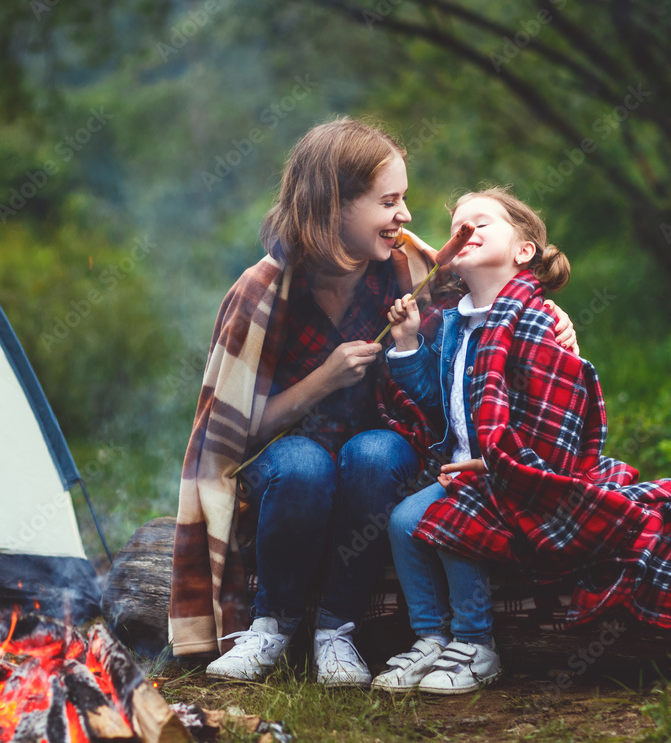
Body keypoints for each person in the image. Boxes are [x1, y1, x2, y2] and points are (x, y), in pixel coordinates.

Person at [168, 121, 577, 688]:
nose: (405, 215)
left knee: (376, 451)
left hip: (379, 462)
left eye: (403, 198)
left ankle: (336, 631)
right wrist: (322, 380)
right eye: (389, 201)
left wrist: (550, 318)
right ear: (334, 207)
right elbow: (230, 433)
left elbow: (496, 308)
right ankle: (272, 626)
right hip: (284, 464)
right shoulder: (263, 291)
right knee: (304, 463)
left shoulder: (406, 269)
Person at [371, 186, 671, 694]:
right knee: (404, 521)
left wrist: (495, 465)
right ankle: (431, 638)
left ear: (523, 252)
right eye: (456, 228)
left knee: (455, 521)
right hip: (461, 468)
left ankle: (476, 644)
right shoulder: (454, 323)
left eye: (481, 222)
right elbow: (436, 402)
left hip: (520, 470)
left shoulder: (536, 322)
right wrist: (407, 342)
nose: (463, 231)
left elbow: (554, 417)